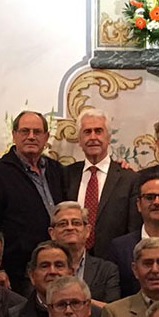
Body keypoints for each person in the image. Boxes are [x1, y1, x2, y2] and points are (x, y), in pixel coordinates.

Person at [0, 109, 66, 295]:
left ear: (46, 137)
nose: (31, 137)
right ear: (14, 135)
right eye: (25, 131)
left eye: (37, 132)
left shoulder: (57, 171)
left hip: (56, 269)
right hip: (17, 274)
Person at [64, 108, 141, 260]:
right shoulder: (66, 175)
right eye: (87, 132)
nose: (93, 137)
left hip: (114, 264)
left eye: (98, 131)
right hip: (70, 262)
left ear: (108, 137)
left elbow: (134, 231)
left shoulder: (129, 178)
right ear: (79, 139)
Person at [7, 240, 103, 317]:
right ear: (32, 276)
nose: (52, 271)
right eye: (44, 266)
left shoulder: (97, 316)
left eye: (59, 265)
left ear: (72, 273)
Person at [49, 201, 122, 303]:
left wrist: (79, 304)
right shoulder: (44, 269)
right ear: (52, 233)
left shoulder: (106, 270)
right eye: (63, 224)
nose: (70, 228)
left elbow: (113, 310)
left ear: (87, 231)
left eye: (76, 223)